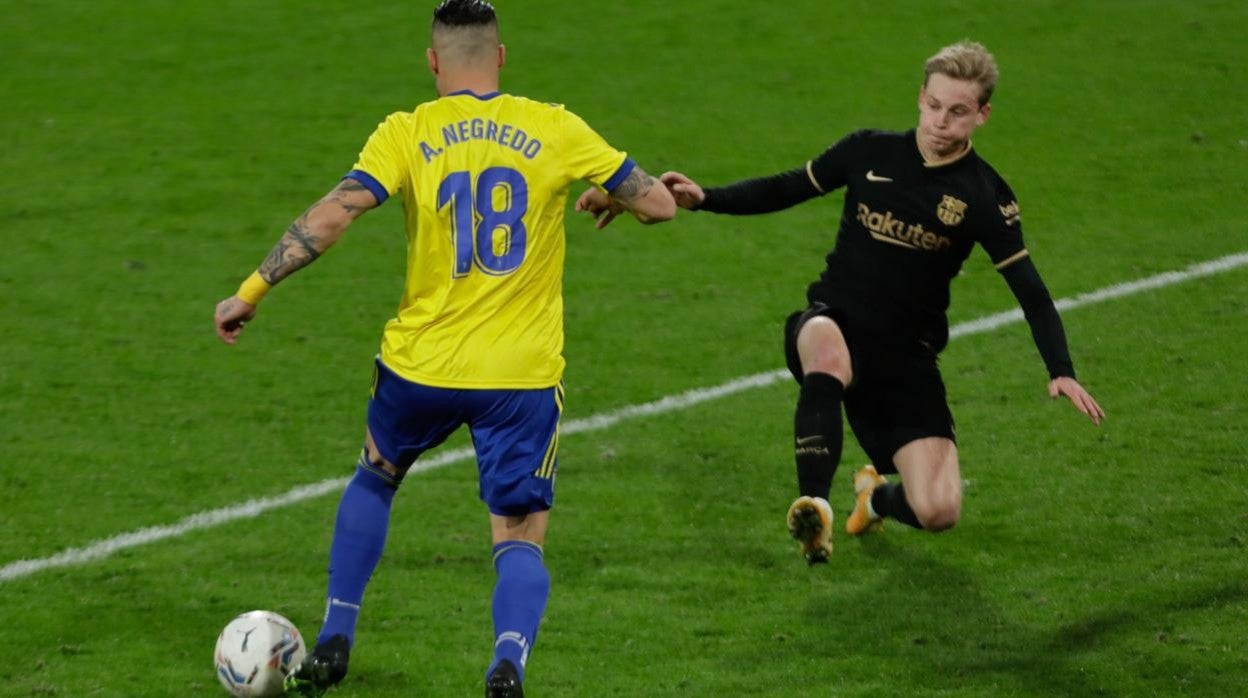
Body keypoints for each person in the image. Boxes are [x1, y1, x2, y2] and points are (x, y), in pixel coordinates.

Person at [213, 2, 675, 696]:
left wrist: (251, 289)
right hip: (519, 377)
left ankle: (336, 636)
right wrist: (615, 198)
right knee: (518, 534)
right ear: (502, 57)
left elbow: (334, 214)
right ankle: (507, 664)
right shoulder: (554, 126)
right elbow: (658, 204)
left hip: (419, 366)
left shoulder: (407, 131)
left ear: (434, 62)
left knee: (376, 476)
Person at [653, 41, 1105, 564]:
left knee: (939, 511)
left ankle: (875, 498)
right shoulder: (868, 150)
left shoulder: (984, 196)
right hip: (833, 320)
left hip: (907, 358)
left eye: (958, 112)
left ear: (982, 115)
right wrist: (707, 197)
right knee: (827, 357)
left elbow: (1031, 289)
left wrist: (1061, 368)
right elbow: (787, 188)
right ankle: (814, 507)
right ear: (920, 98)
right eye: (934, 105)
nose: (941, 121)